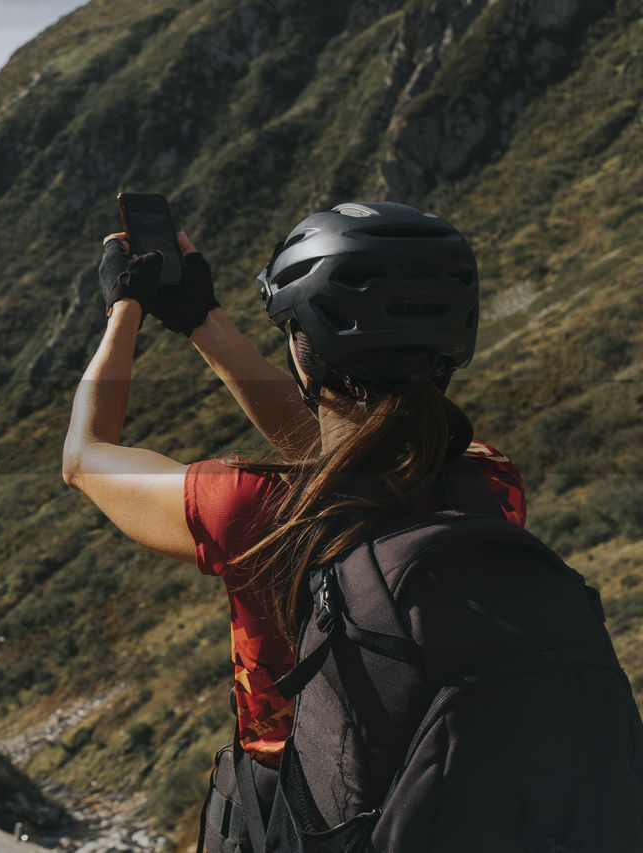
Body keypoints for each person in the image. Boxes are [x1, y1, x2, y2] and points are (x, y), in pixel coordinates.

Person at [62, 201, 526, 839]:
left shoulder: (253, 508)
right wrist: (203, 322)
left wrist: (124, 311)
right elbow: (351, 449)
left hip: (297, 823)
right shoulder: (491, 481)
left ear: (305, 346)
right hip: (445, 813)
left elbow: (84, 456)